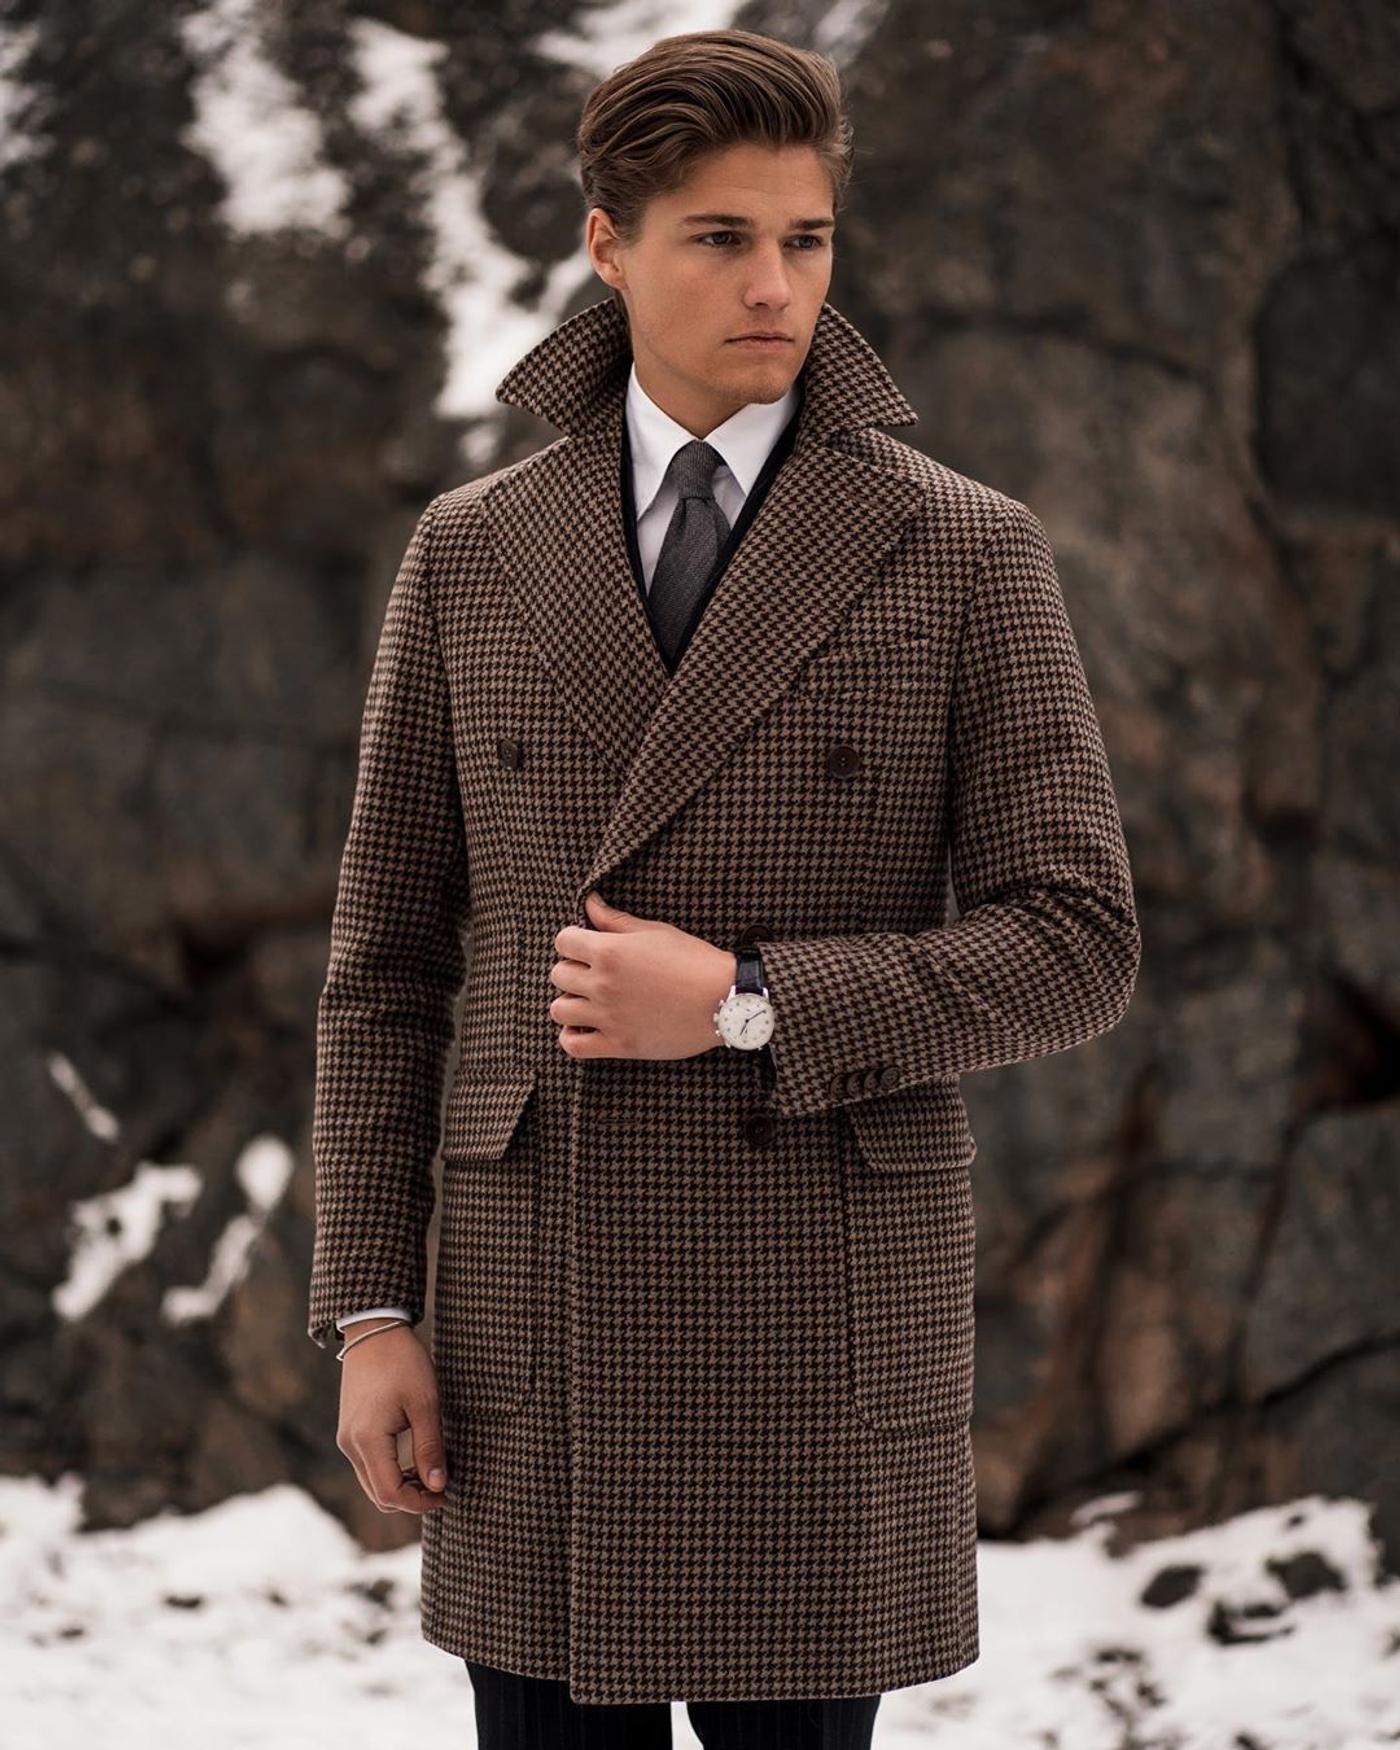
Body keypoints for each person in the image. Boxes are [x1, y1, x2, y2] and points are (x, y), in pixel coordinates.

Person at [309, 25, 1140, 1748]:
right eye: (722, 239)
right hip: (536, 1326)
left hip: (812, 1322)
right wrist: (372, 1309)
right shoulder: (475, 549)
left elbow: (1078, 942)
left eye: (808, 239)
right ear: (606, 246)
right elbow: (386, 966)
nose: (779, 286)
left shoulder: (963, 549)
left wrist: (752, 1000)